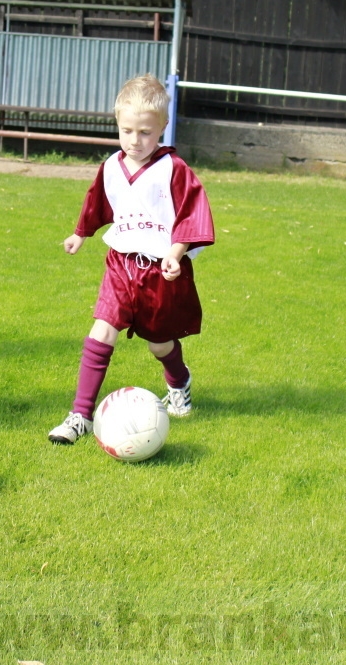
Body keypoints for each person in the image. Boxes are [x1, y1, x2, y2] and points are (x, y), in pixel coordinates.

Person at [48, 74, 214, 444]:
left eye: (145, 133)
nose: (135, 141)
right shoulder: (112, 166)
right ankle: (80, 415)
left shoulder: (174, 169)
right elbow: (98, 202)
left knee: (159, 344)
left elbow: (191, 214)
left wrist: (176, 253)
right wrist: (80, 234)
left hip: (160, 272)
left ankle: (179, 381)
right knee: (102, 329)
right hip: (120, 264)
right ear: (117, 124)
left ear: (163, 127)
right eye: (127, 131)